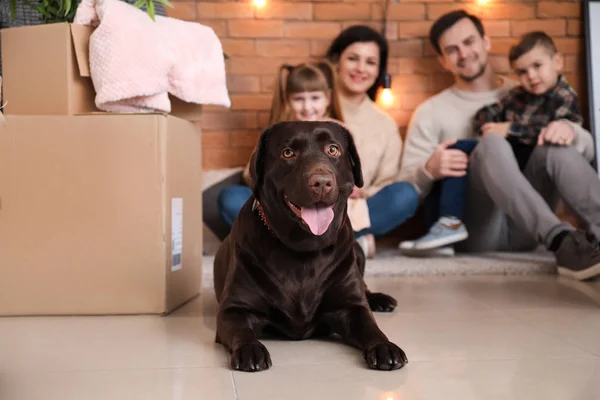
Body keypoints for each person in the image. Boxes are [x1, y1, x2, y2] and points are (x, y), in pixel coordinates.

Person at [398, 9, 600, 281]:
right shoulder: (430, 111)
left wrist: (570, 131)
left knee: (554, 146)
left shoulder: (530, 91)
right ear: (443, 61)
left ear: (486, 42)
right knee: (491, 141)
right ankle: (561, 239)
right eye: (453, 50)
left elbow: (585, 149)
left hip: (528, 228)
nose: (464, 54)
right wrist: (429, 170)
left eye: (469, 42)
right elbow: (405, 188)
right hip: (479, 229)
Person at [325, 25, 420, 257]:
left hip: (356, 210)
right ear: (337, 61)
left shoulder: (384, 124)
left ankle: (313, 246)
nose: (360, 68)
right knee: (233, 199)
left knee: (405, 194)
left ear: (379, 70)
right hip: (304, 205)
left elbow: (388, 182)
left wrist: (361, 192)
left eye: (370, 62)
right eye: (353, 59)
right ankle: (346, 245)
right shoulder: (311, 105)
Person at [218, 61, 344, 232]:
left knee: (392, 198)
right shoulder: (279, 133)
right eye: (299, 99)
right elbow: (251, 175)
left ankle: (330, 237)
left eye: (315, 98)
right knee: (231, 197)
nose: (307, 107)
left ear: (327, 99)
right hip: (286, 207)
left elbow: (353, 175)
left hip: (328, 203)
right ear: (288, 100)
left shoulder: (338, 132)